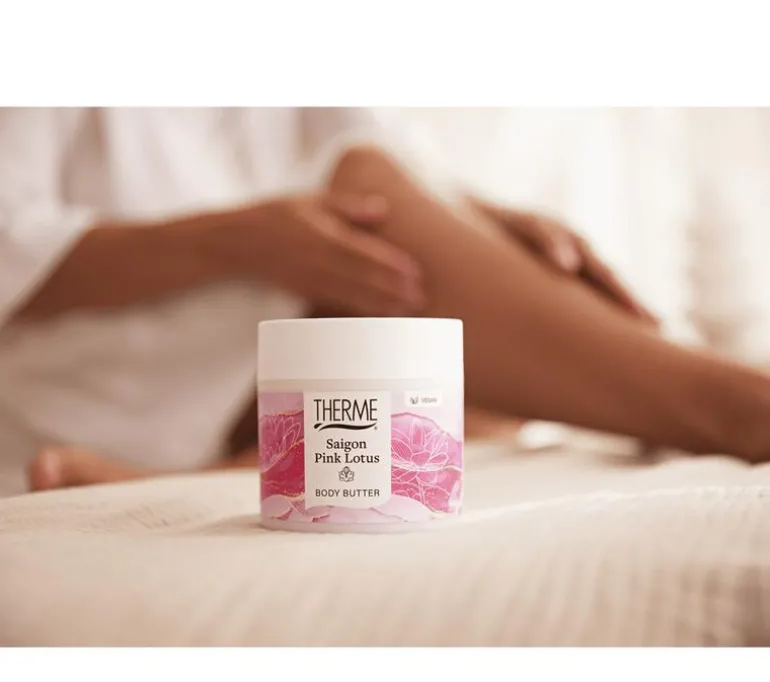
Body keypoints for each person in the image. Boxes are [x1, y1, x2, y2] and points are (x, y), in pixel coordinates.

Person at [21, 142, 770, 490]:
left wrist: (481, 221)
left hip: (290, 361)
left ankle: (186, 480)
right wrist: (232, 241)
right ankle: (735, 406)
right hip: (118, 368)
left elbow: (383, 155)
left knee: (470, 403)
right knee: (369, 191)